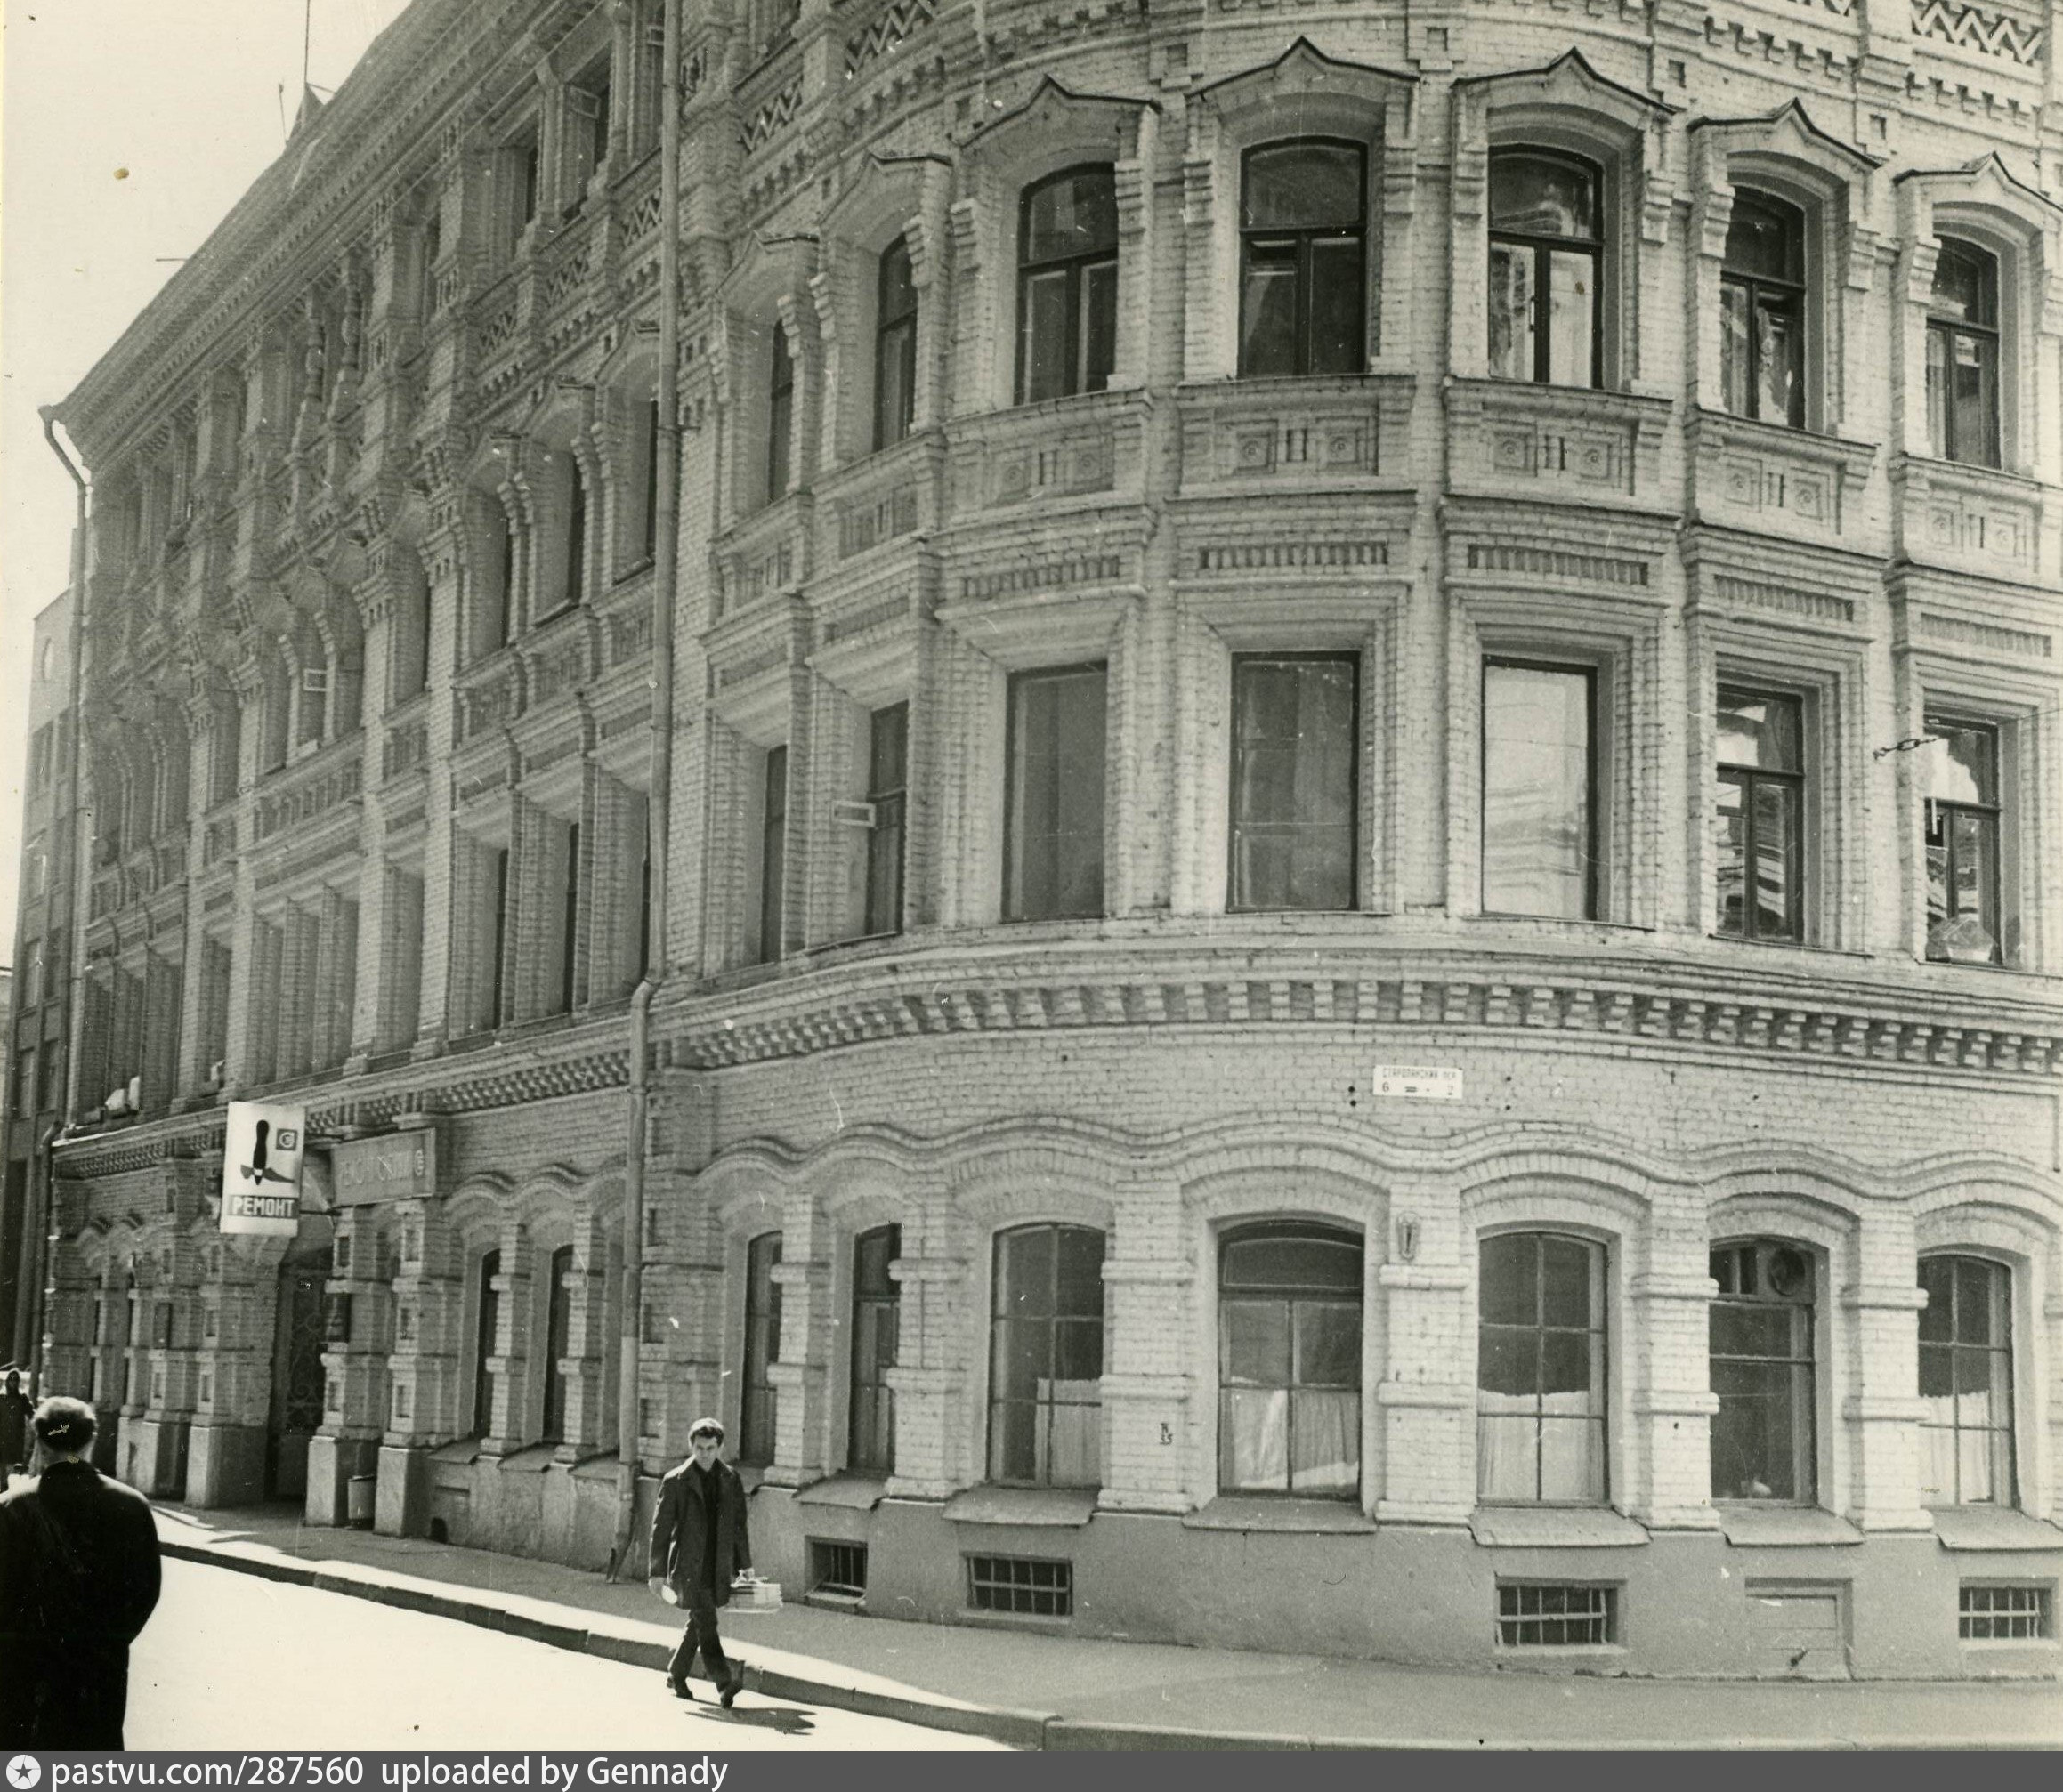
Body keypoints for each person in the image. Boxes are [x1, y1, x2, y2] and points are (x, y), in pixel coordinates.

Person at [0, 1396, 163, 1748]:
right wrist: (108, 1641)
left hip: (25, 1670)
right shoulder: (130, 1505)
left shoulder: (13, 1507)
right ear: (90, 1441)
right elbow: (146, 1591)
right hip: (97, 1667)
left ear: (40, 1444)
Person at [647, 1417, 753, 1707]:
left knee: (699, 1621)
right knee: (707, 1620)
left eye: (710, 1448)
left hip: (718, 1564)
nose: (704, 1454)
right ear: (691, 1446)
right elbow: (660, 1530)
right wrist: (656, 1572)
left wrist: (745, 1564)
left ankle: (677, 1672)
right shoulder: (676, 1481)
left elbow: (738, 1526)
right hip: (688, 1566)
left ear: (720, 1447)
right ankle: (724, 1681)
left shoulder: (730, 1479)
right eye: (699, 1448)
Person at [0, 1369, 31, 1481]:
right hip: (2, 1438)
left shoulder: (22, 1399)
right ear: (7, 1381)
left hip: (15, 1440)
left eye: (16, 1380)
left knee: (11, 1471)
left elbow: (32, 1414)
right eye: (11, 1379)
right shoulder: (1, 1398)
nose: (13, 1382)